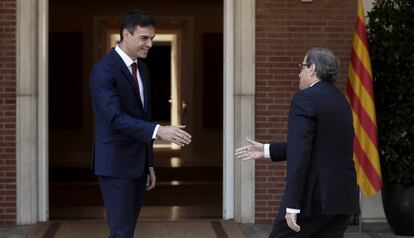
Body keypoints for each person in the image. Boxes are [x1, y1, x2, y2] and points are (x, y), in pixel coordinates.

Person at [235, 48, 360, 238]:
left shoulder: (305, 99)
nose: (299, 73)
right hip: (341, 199)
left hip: (312, 202)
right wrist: (267, 150)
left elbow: (300, 154)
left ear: (312, 69)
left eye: (301, 67)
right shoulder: (341, 102)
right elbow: (319, 146)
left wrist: (292, 204)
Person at [89, 10, 191, 238]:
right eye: (144, 38)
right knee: (122, 232)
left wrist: (149, 163)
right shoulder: (104, 69)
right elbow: (114, 118)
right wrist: (160, 130)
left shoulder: (142, 69)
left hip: (138, 164)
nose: (150, 44)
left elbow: (142, 117)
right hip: (115, 164)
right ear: (126, 34)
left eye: (152, 38)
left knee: (126, 231)